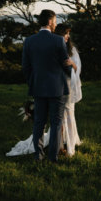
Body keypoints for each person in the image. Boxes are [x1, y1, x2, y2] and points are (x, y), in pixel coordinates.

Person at [6, 10, 72, 162]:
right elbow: (65, 64)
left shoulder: (29, 41)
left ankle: (38, 155)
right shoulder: (58, 41)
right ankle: (53, 158)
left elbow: (25, 67)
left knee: (39, 123)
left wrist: (33, 82)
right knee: (55, 124)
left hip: (38, 88)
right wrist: (71, 73)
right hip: (57, 89)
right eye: (55, 21)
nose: (55, 24)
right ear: (50, 22)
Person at [55, 23, 82, 157]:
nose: (68, 36)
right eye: (65, 33)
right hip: (57, 85)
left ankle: (70, 144)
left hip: (69, 85)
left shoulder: (72, 50)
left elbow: (78, 69)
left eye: (68, 34)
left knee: (69, 115)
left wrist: (72, 64)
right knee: (58, 117)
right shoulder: (54, 48)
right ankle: (59, 145)